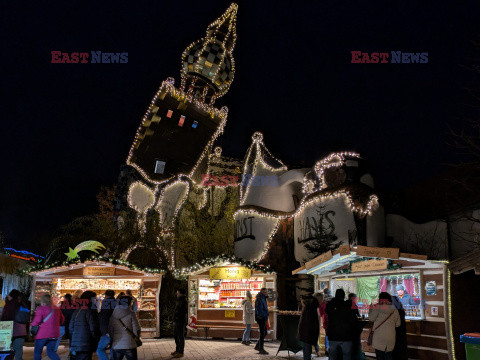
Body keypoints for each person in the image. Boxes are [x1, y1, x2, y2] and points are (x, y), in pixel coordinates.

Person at [31, 294, 64, 360]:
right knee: (51, 352)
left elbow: (36, 321)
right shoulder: (57, 309)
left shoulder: (41, 309)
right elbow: (62, 320)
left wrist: (32, 326)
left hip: (42, 334)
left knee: (37, 352)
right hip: (54, 334)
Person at [368, 292, 401, 360]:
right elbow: (398, 324)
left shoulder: (377, 307)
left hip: (379, 338)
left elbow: (371, 319)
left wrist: (370, 309)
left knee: (379, 357)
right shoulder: (394, 309)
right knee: (388, 357)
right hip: (390, 338)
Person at [325, 289, 355, 360]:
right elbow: (353, 318)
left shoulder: (329, 305)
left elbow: (327, 312)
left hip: (333, 335)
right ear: (344, 296)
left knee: (332, 356)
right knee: (346, 356)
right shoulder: (347, 305)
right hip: (346, 335)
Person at [69, 291, 100, 360]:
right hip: (86, 342)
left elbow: (71, 327)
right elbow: (93, 327)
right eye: (95, 299)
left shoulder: (77, 310)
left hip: (76, 343)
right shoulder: (90, 310)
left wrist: (73, 339)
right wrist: (96, 339)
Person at [109, 295, 141, 360]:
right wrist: (136, 337)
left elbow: (110, 330)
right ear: (129, 303)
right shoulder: (131, 313)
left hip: (117, 345)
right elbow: (137, 328)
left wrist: (113, 338)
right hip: (130, 344)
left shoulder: (113, 314)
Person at [1, 290, 29, 360]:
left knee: (6, 353)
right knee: (18, 354)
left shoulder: (9, 305)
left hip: (9, 332)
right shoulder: (23, 304)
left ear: (12, 296)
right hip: (21, 332)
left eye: (9, 296)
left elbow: (5, 319)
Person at [297, 294, 320, 360]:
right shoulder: (312, 308)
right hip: (309, 333)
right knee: (307, 353)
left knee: (307, 352)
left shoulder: (307, 307)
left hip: (306, 333)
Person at [97, 290, 117, 360]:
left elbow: (104, 316)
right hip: (115, 329)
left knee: (100, 349)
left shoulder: (106, 302)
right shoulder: (116, 302)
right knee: (112, 348)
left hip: (106, 329)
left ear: (106, 295)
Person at [171, 288, 188, 358]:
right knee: (176, 335)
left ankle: (181, 352)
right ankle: (177, 350)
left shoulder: (184, 301)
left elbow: (182, 311)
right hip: (177, 320)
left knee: (180, 336)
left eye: (177, 293)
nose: (176, 294)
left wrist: (177, 317)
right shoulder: (179, 300)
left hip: (180, 321)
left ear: (181, 293)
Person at [347, 293, 362, 360]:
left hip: (345, 327)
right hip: (353, 326)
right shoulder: (354, 304)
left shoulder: (344, 303)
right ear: (353, 298)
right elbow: (358, 315)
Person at [254, 288, 269, 355]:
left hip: (262, 317)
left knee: (264, 332)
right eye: (266, 292)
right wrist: (263, 315)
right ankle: (261, 349)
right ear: (264, 292)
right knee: (262, 333)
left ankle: (258, 346)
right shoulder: (260, 298)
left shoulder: (263, 298)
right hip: (261, 318)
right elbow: (259, 309)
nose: (267, 293)